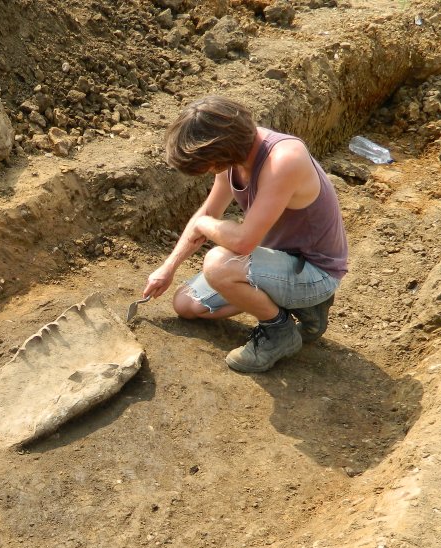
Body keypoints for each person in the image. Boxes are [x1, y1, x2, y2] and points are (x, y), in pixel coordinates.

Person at [143, 96, 348, 373]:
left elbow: (242, 241)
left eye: (207, 164)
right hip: (275, 263)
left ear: (221, 151)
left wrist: (206, 225)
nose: (207, 171)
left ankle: (279, 332)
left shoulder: (284, 160)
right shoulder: (233, 159)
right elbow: (206, 213)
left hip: (315, 273)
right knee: (187, 304)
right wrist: (167, 268)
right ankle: (285, 306)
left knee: (219, 264)